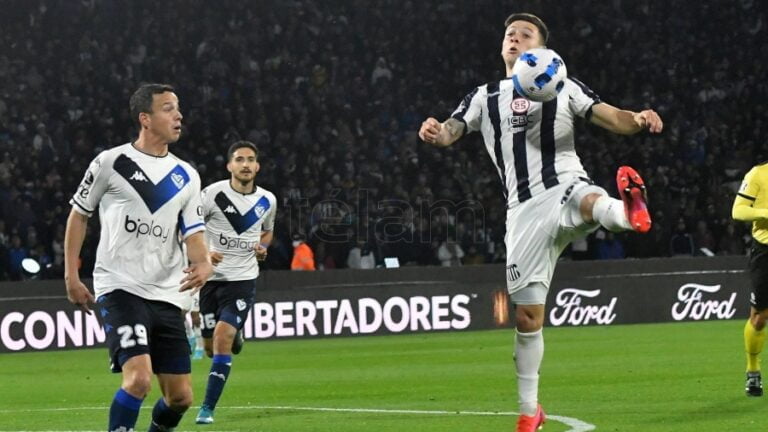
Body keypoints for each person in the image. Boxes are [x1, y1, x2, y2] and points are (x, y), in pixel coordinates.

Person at [418, 13, 663, 431]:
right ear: (503, 46)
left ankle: (628, 211)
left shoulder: (564, 85)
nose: (514, 38)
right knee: (528, 317)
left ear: (542, 49)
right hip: (523, 212)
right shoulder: (484, 95)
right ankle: (531, 411)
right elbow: (451, 131)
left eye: (524, 34)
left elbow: (612, 117)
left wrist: (639, 119)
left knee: (589, 201)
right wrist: (435, 130)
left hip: (564, 183)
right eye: (509, 34)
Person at [64, 83, 213, 432]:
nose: (178, 115)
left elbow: (193, 232)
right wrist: (71, 276)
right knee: (138, 380)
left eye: (177, 107)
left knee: (180, 398)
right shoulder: (111, 161)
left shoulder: (187, 176)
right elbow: (79, 215)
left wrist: (204, 262)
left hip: (167, 293)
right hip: (121, 287)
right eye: (167, 108)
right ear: (145, 118)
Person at [195, 140, 277, 424]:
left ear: (257, 166)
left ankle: (207, 408)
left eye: (250, 159)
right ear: (229, 165)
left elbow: (267, 232)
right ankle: (237, 334)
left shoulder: (267, 200)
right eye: (239, 159)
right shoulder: (211, 194)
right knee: (208, 347)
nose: (245, 164)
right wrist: (204, 252)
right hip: (208, 280)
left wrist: (262, 248)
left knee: (221, 338)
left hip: (242, 279)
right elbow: (190, 226)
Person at [732, 161, 768, 397]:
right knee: (759, 318)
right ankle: (753, 370)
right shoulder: (758, 173)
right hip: (765, 251)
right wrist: (765, 212)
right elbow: (738, 210)